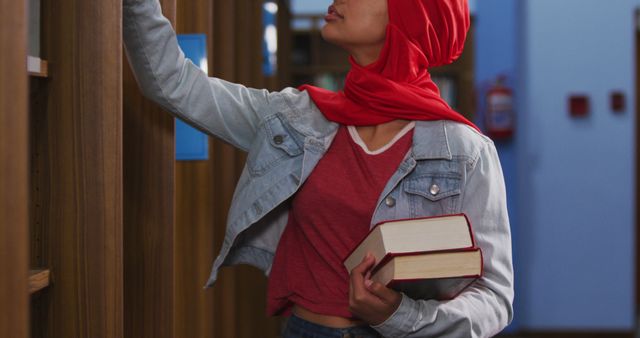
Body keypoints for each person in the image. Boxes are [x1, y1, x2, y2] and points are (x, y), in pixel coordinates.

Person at [123, 0, 514, 336]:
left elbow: (494, 298)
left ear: (408, 18)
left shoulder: (465, 151)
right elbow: (172, 83)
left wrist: (401, 316)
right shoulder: (295, 118)